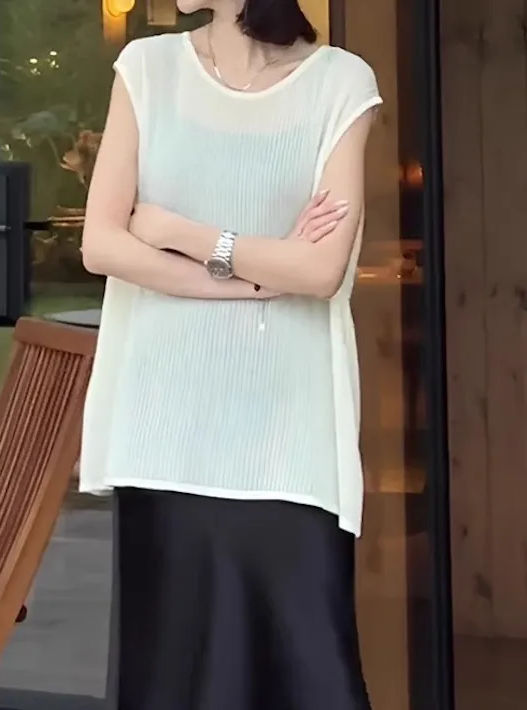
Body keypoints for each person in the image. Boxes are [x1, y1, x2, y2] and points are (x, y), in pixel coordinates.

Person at [79, 0, 382, 707]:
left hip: (291, 440)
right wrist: (251, 280)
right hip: (163, 430)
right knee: (177, 680)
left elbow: (319, 270)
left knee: (311, 673)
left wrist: (179, 233)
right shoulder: (147, 69)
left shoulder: (341, 83)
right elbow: (103, 244)